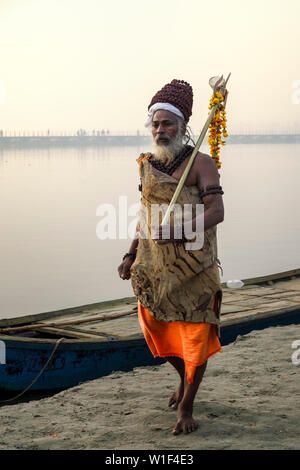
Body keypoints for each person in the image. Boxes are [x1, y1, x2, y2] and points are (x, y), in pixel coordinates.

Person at [118, 79, 225, 435]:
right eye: (156, 123)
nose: (160, 130)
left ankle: (187, 405)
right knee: (159, 333)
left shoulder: (201, 164)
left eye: (168, 123)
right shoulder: (147, 164)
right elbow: (144, 215)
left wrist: (179, 230)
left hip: (195, 268)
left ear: (183, 126)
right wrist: (130, 254)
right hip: (153, 267)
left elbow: (217, 212)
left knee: (194, 338)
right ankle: (182, 381)